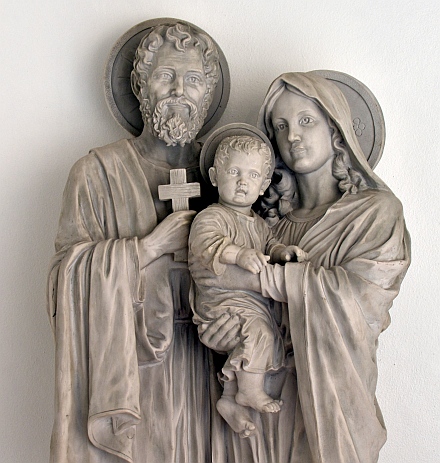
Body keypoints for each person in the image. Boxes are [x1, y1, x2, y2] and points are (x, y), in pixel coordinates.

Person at [192, 72, 411, 463]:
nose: (293, 135)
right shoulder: (269, 225)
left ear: (335, 128)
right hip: (262, 398)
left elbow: (363, 298)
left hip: (330, 396)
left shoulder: (375, 213)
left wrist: (263, 281)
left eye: (306, 121)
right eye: (281, 126)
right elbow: (210, 270)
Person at [47, 22, 239, 463]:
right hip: (134, 373)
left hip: (211, 367)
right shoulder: (96, 173)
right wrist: (145, 249)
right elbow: (64, 283)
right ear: (139, 85)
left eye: (193, 80)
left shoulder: (231, 175)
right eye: (164, 76)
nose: (179, 91)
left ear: (207, 94)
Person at [189, 133, 307, 415]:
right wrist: (238, 254)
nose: (243, 182)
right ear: (215, 176)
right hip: (220, 304)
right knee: (257, 334)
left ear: (264, 184)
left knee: (259, 336)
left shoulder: (259, 224)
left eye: (253, 175)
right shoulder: (212, 217)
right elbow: (206, 245)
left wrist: (282, 253)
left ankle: (230, 397)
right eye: (234, 172)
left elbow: (269, 246)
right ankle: (250, 392)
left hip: (250, 304)